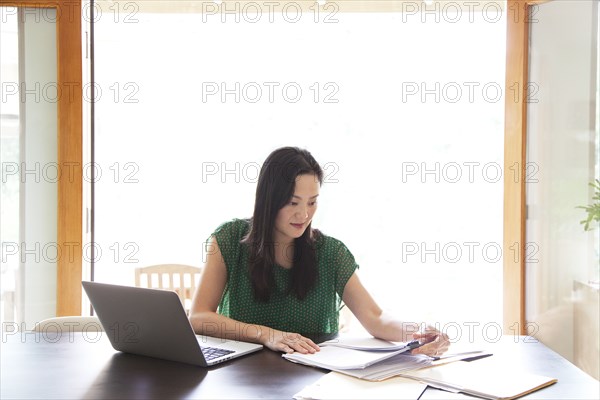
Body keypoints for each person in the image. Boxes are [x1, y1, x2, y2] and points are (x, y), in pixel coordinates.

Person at [189, 147, 449, 356]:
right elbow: (199, 317)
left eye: (312, 202)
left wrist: (417, 331)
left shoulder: (330, 253)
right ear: (269, 199)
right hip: (241, 378)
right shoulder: (229, 239)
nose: (304, 215)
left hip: (313, 375)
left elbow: (375, 317)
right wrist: (267, 334)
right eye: (293, 203)